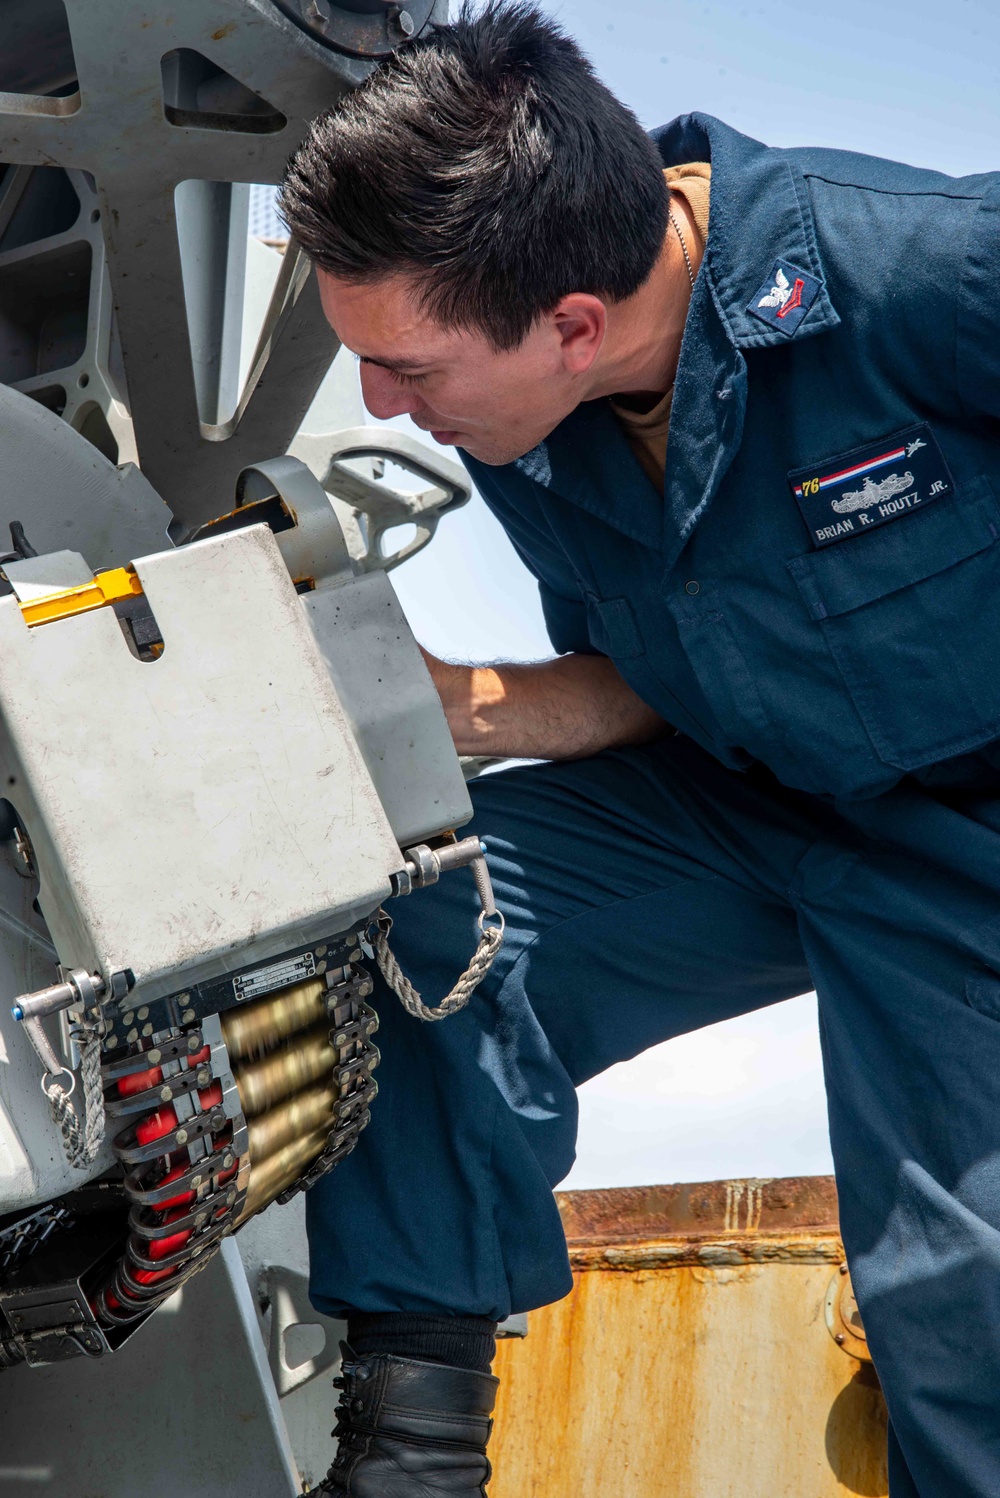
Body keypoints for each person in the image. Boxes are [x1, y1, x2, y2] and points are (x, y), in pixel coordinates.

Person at [279, 3, 1000, 1494]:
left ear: (575, 324)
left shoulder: (926, 274)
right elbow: (651, 675)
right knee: (429, 928)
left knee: (965, 1307)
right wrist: (435, 706)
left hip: (963, 841)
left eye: (406, 366)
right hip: (735, 805)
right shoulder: (528, 416)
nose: (381, 406)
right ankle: (406, 1457)